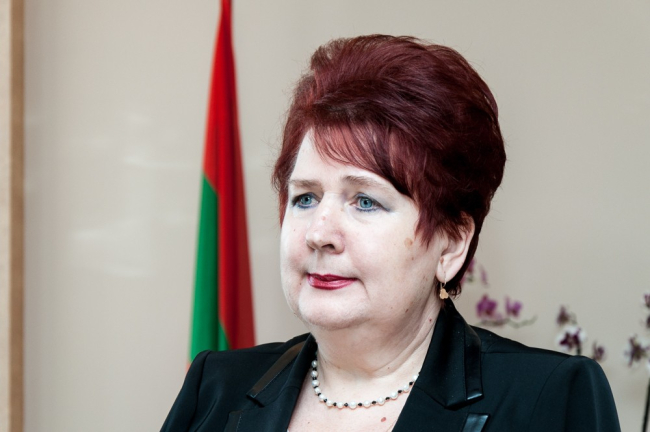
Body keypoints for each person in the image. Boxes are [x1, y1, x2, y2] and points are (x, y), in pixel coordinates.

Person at [161, 35, 620, 432]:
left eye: (365, 201)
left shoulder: (550, 398)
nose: (319, 233)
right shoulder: (216, 386)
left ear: (451, 244)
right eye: (305, 197)